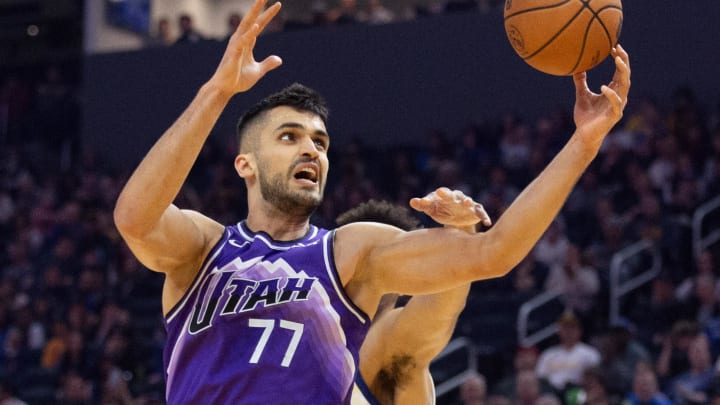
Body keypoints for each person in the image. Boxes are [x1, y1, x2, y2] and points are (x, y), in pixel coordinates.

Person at [112, 0, 631, 402]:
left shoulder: (350, 254)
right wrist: (217, 91)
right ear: (245, 163)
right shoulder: (204, 249)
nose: (311, 149)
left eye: (320, 141)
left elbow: (493, 253)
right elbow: (135, 218)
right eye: (289, 137)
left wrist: (584, 141)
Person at [335, 191, 491, 404]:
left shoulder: (386, 339)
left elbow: (440, 308)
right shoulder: (305, 338)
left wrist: (461, 231)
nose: (369, 272)